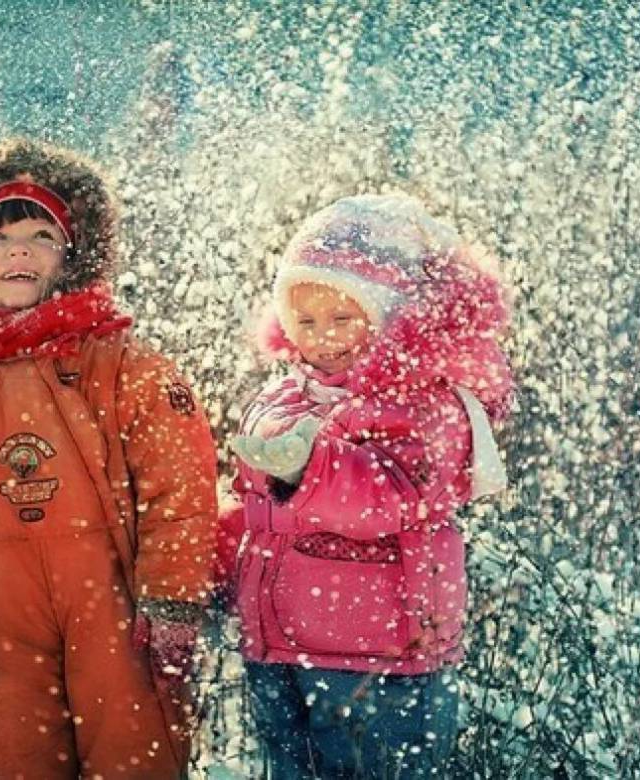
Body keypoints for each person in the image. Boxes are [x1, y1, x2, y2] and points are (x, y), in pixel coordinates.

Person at [0, 137, 218, 779]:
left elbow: (182, 485)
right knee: (12, 759)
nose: (21, 250)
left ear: (71, 259)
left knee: (133, 757)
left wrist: (173, 598)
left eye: (42, 235)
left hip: (120, 625)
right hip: (3, 636)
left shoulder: (126, 369)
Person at [219, 195, 514, 778]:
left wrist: (309, 464)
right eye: (306, 322)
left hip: (379, 656)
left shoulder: (425, 402)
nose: (324, 337)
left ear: (389, 314)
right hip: (279, 647)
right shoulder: (283, 397)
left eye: (343, 318)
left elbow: (389, 498)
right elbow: (256, 508)